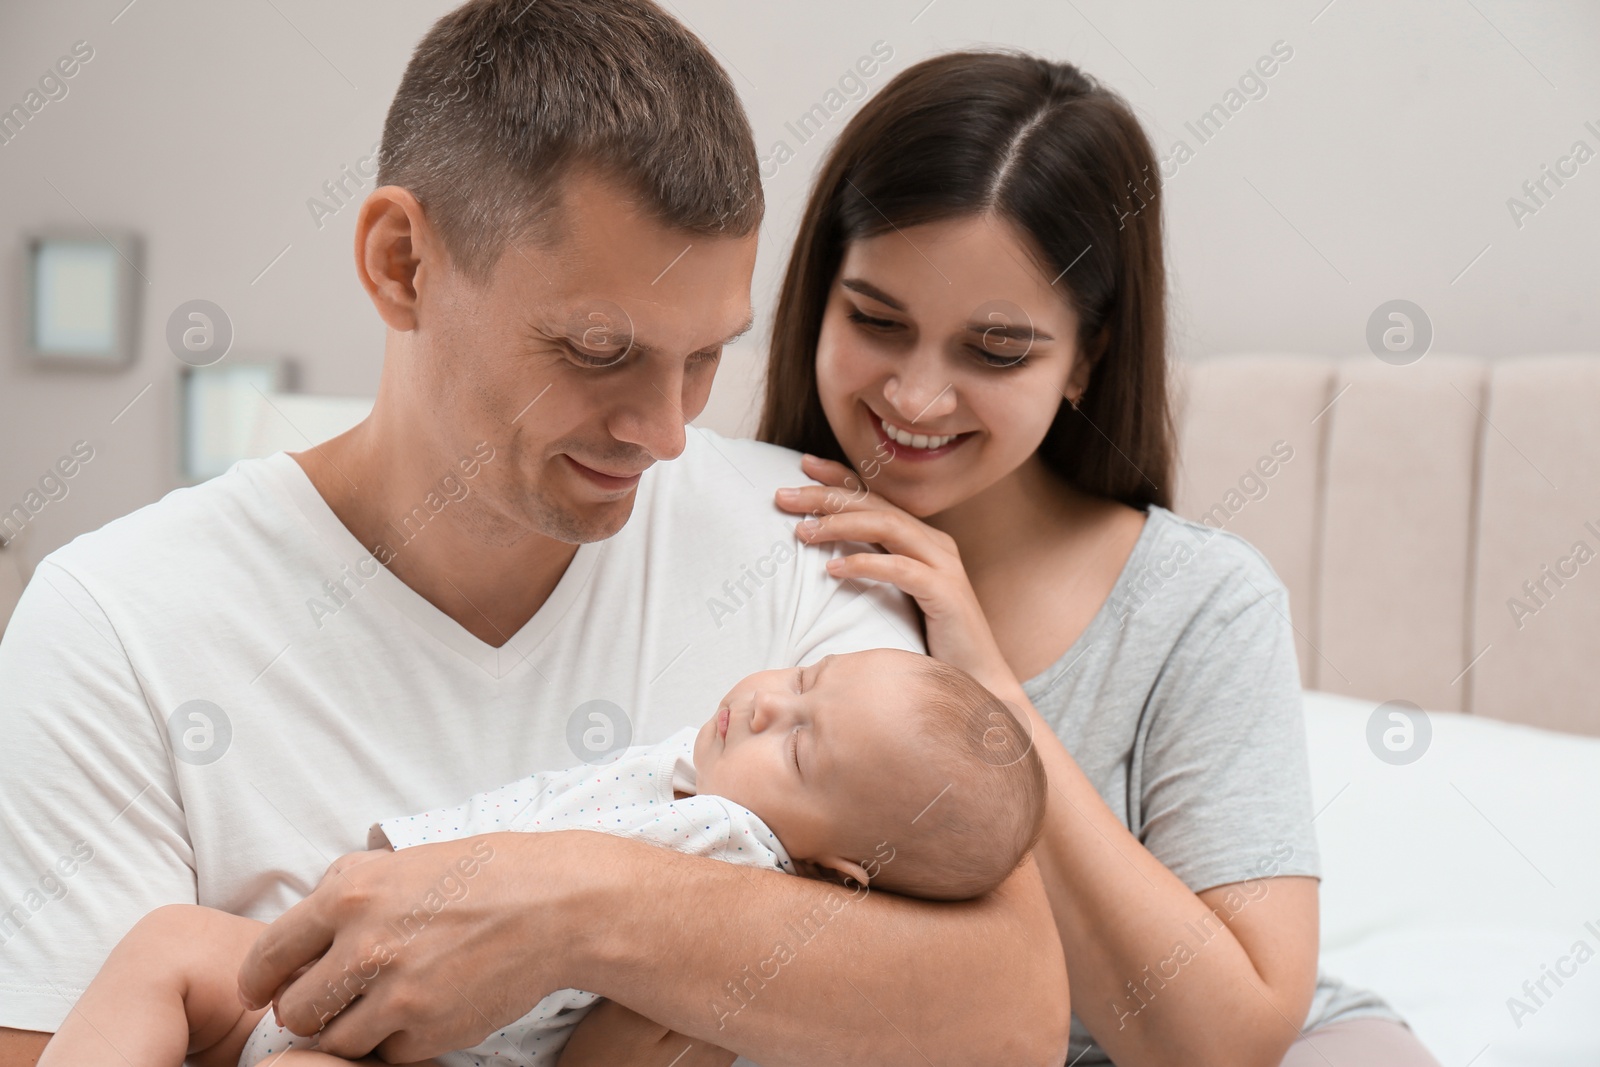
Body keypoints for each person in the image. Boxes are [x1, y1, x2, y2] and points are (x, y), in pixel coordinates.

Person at [0, 4, 1074, 1066]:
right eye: (597, 347)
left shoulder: (803, 537)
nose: (664, 431)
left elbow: (1008, 1013)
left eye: (703, 356)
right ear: (401, 264)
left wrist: (557, 907)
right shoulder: (115, 625)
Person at [759, 50, 1444, 1067]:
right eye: (873, 319)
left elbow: (1224, 1041)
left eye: (994, 351)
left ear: (1085, 356)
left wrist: (988, 689)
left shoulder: (1201, 603)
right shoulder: (734, 538)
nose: (913, 397)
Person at [37, 648, 1048, 1067]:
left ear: (837, 872)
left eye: (801, 744)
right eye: (808, 677)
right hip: (341, 973)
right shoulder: (701, 774)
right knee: (172, 941)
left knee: (189, 966)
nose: (770, 701)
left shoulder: (735, 852)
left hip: (442, 1047)